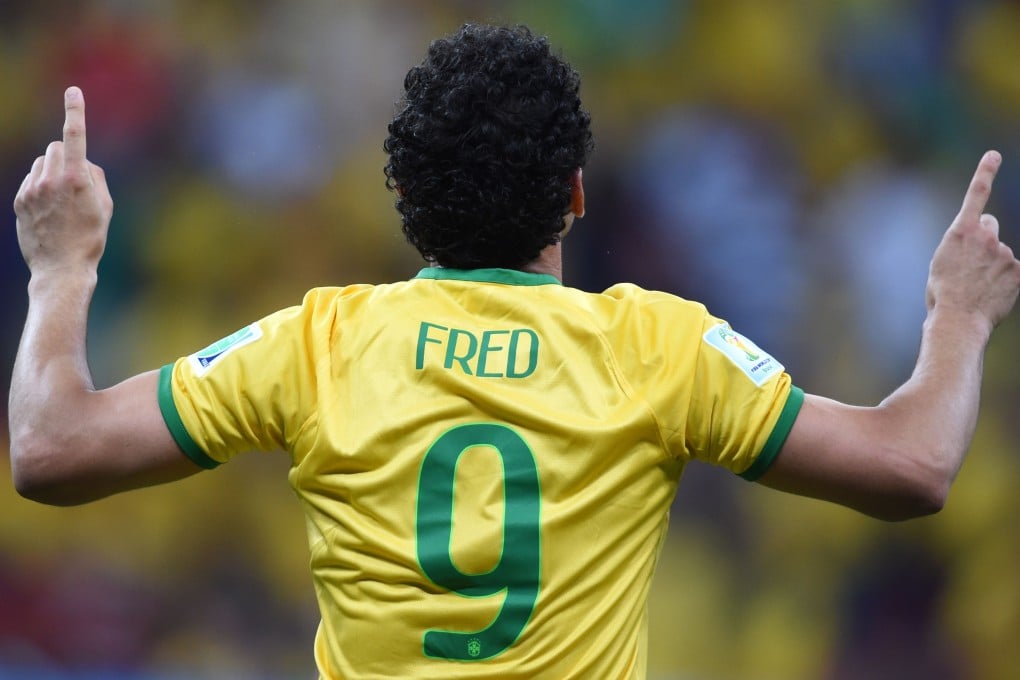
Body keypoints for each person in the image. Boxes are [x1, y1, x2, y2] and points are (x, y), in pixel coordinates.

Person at [8, 23, 1020, 680]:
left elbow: (51, 449)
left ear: (404, 203)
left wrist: (63, 270)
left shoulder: (317, 342)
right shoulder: (660, 347)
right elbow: (912, 463)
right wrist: (958, 315)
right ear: (575, 194)